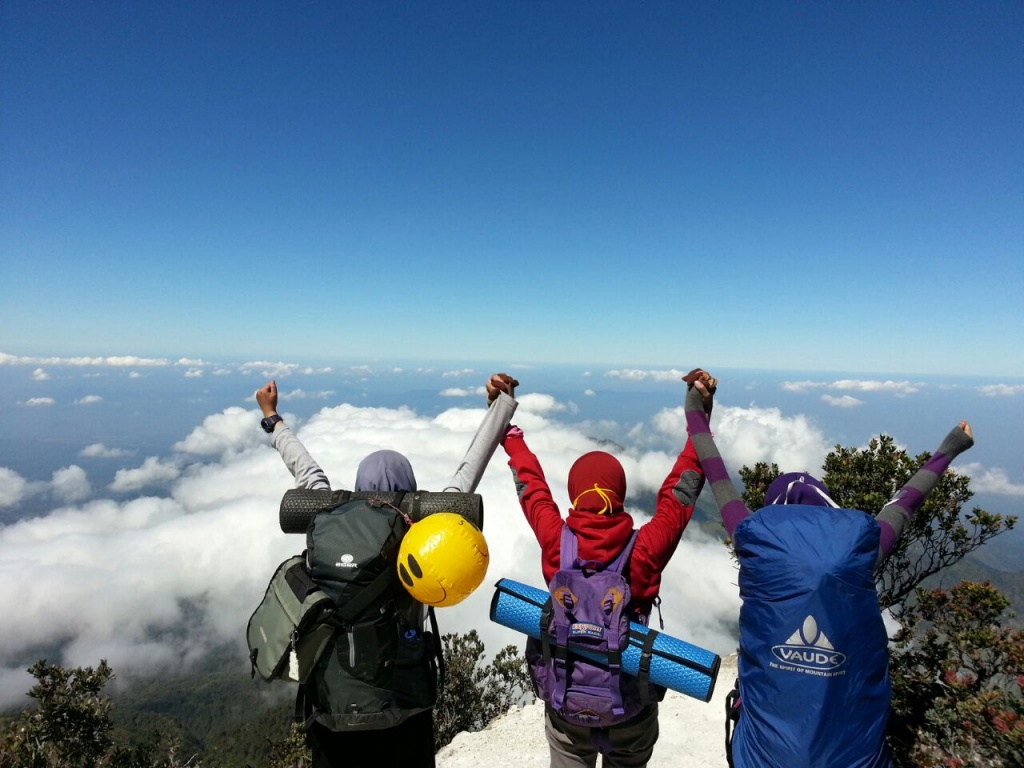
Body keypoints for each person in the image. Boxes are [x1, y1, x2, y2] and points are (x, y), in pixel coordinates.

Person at [683, 377, 974, 768]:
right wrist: (948, 449)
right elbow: (905, 502)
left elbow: (716, 472)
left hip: (761, 758)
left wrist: (695, 411)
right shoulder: (861, 550)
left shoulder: (754, 541)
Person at [256, 375, 519, 768]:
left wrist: (272, 417)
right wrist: (501, 406)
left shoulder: (325, 515)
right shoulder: (424, 529)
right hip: (404, 706)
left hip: (331, 708)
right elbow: (470, 468)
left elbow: (305, 469)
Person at [495, 369, 716, 768]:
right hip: (630, 710)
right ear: (622, 493)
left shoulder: (555, 540)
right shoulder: (646, 548)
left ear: (575, 493)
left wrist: (507, 428)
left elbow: (531, 487)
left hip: (566, 707)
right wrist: (700, 420)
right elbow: (682, 491)